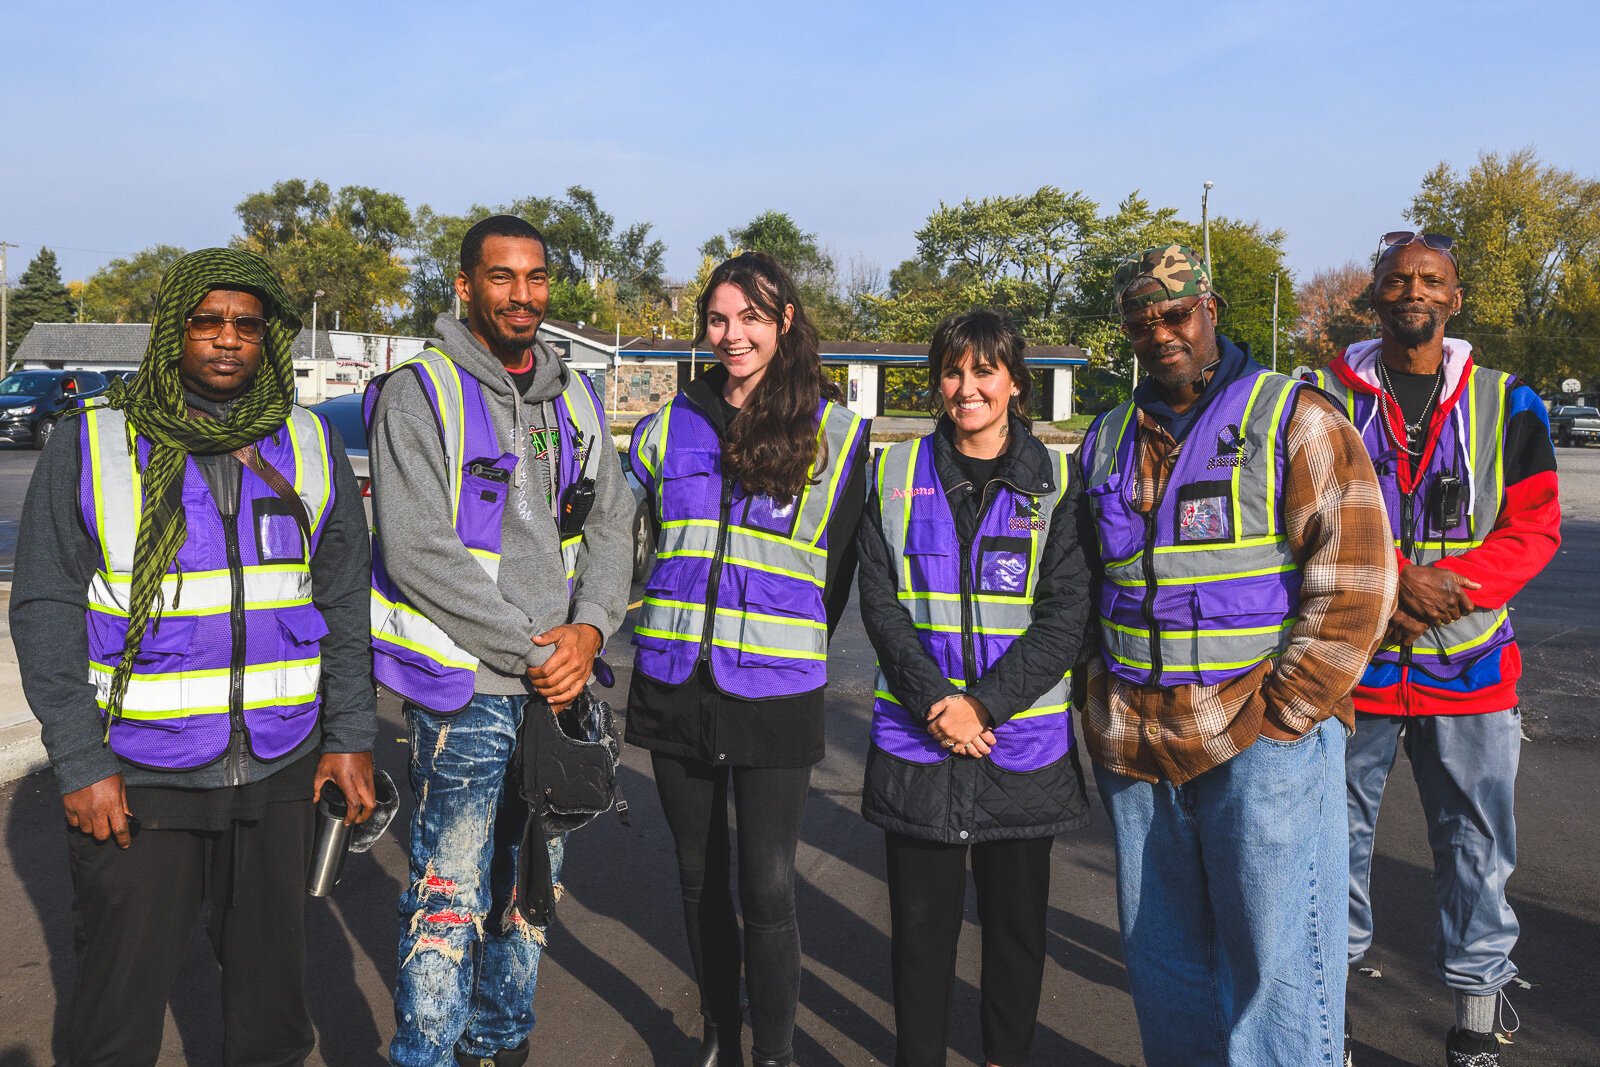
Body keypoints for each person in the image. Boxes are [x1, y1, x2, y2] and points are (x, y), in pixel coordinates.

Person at [10, 247, 378, 1066]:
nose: (226, 340)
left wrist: (351, 732)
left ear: (266, 340)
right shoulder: (94, 442)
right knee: (115, 1021)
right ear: (174, 329)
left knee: (273, 1021)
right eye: (206, 321)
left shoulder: (307, 442)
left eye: (246, 325)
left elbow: (346, 601)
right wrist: (78, 758)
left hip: (281, 769)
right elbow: (42, 608)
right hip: (138, 777)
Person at [1078, 245, 1396, 1065]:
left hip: (1262, 745)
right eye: (1141, 323)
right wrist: (1093, 703)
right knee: (1166, 969)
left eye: (1175, 315)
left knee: (1281, 979)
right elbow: (1085, 588)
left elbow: (1356, 581)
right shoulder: (1106, 437)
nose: (1160, 334)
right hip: (1137, 750)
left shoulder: (1293, 418)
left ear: (1210, 310)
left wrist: (1287, 717)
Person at [368, 215, 634, 1067]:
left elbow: (613, 526)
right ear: (465, 286)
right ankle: (429, 1053)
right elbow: (416, 552)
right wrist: (535, 650)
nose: (523, 294)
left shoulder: (579, 397)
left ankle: (498, 1043)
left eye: (537, 278)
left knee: (532, 891)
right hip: (468, 690)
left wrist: (590, 629)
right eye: (502, 277)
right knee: (448, 892)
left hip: (561, 692)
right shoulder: (422, 393)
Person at [1306, 232, 1560, 1066]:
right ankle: (1325, 1026)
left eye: (1431, 279)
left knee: (1478, 852)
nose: (1413, 289)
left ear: (1454, 298)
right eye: (1397, 278)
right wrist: (1397, 582)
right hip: (1352, 666)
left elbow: (1534, 527)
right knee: (1330, 846)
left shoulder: (1508, 400)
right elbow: (1305, 517)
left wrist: (1447, 587)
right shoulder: (1324, 400)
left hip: (1473, 668)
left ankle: (1476, 1029)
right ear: (1371, 296)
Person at [626, 252, 868, 1067]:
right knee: (697, 876)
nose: (732, 336)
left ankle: (774, 1051)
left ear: (785, 321)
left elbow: (833, 579)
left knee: (767, 886)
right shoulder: (664, 428)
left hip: (774, 686)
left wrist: (778, 638)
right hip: (672, 680)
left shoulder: (837, 435)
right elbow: (631, 547)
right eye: (719, 319)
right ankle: (719, 1029)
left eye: (751, 319)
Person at [856, 309, 1092, 1067]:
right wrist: (939, 704)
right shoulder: (892, 475)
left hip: (1017, 744)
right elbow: (881, 605)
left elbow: (1066, 617)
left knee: (1017, 936)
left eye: (984, 371)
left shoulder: (1056, 484)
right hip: (920, 744)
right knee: (921, 940)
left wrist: (981, 705)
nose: (967, 388)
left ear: (1015, 382)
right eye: (953, 372)